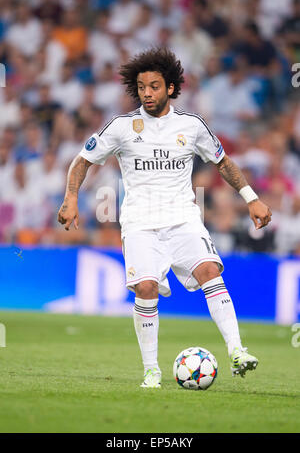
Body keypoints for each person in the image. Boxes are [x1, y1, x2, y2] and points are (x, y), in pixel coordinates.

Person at [57, 48, 272, 388]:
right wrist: (71, 197)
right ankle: (151, 370)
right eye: (142, 87)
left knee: (209, 270)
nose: (147, 93)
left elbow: (223, 162)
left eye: (155, 86)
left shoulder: (191, 125)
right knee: (145, 288)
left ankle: (236, 352)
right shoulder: (122, 127)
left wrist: (252, 198)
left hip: (183, 217)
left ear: (171, 88)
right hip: (140, 222)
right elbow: (82, 160)